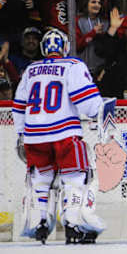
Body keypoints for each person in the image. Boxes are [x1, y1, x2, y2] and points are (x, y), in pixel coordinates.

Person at [12, 28, 105, 244]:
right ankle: (73, 224)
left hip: (34, 135)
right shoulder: (72, 66)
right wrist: (99, 113)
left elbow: (18, 105)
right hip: (64, 133)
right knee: (76, 176)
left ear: (44, 48)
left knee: (41, 178)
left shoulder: (30, 70)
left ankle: (40, 223)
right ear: (65, 47)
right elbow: (87, 100)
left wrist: (20, 134)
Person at [76, 0, 109, 79]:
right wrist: (93, 32)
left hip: (100, 69)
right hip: (82, 69)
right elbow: (77, 45)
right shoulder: (78, 21)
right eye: (93, 2)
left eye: (99, 3)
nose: (97, 5)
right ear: (86, 4)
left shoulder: (105, 22)